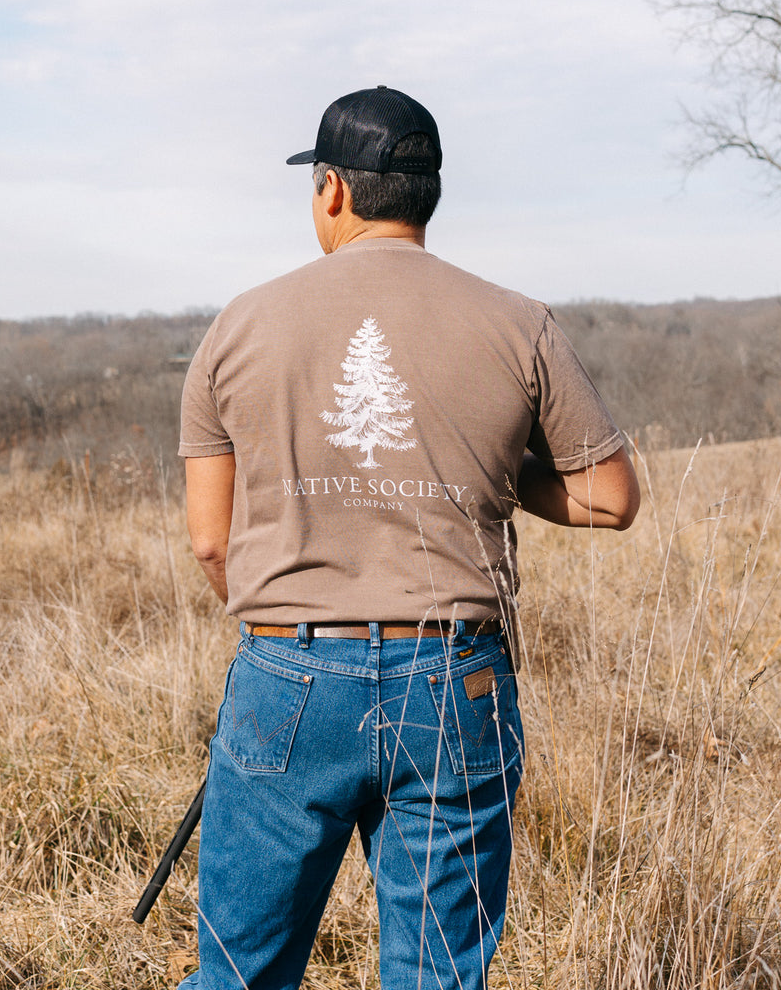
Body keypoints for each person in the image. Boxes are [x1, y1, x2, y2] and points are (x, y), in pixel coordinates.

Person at [177, 85, 639, 990]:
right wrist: (495, 475)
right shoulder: (519, 322)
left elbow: (209, 542)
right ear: (428, 194)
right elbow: (612, 498)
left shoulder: (241, 324)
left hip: (288, 677)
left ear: (334, 190)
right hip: (453, 679)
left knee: (240, 974)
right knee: (436, 975)